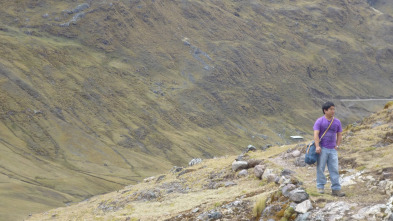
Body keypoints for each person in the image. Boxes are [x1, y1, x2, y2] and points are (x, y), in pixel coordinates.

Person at [313, 101, 345, 197]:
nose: (333, 111)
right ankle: (320, 187)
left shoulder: (337, 122)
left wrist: (337, 145)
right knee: (320, 168)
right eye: (331, 109)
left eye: (333, 109)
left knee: (334, 169)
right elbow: (316, 134)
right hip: (322, 148)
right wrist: (317, 146)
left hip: (333, 150)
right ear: (325, 110)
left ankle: (336, 189)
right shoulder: (319, 121)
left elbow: (339, 134)